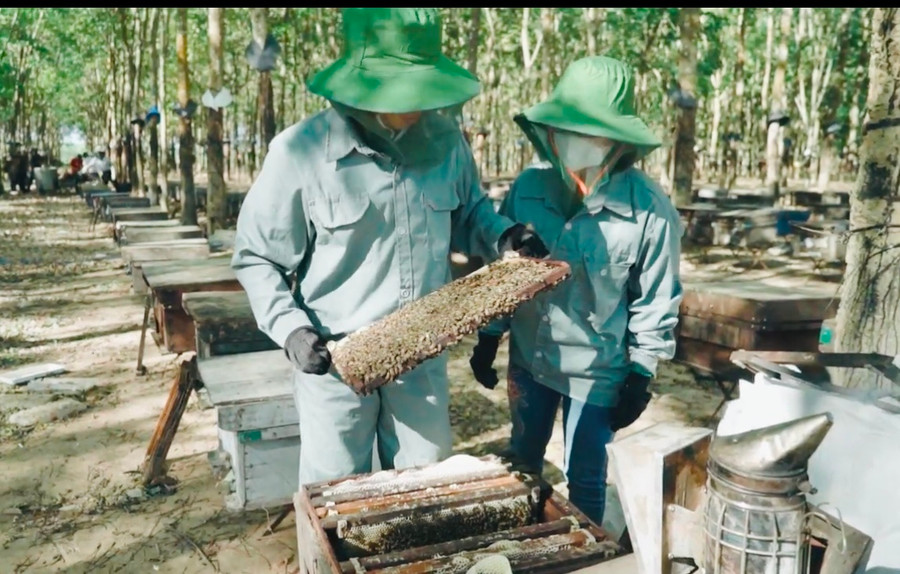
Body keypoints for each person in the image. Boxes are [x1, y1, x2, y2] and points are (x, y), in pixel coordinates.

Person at [231, 8, 548, 487]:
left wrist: (502, 235)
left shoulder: (446, 142)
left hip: (421, 357)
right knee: (336, 494)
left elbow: (470, 214)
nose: (416, 102)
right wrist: (292, 330)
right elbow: (257, 257)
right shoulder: (300, 153)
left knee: (427, 486)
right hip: (336, 360)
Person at [468, 56, 684, 526]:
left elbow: (656, 299)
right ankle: (520, 546)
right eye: (567, 128)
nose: (574, 140)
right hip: (531, 359)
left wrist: (642, 373)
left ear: (616, 140)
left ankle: (580, 557)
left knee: (585, 476)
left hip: (598, 371)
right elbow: (506, 274)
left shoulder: (648, 211)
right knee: (521, 460)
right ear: (549, 130)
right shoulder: (528, 188)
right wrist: (489, 337)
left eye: (591, 131)